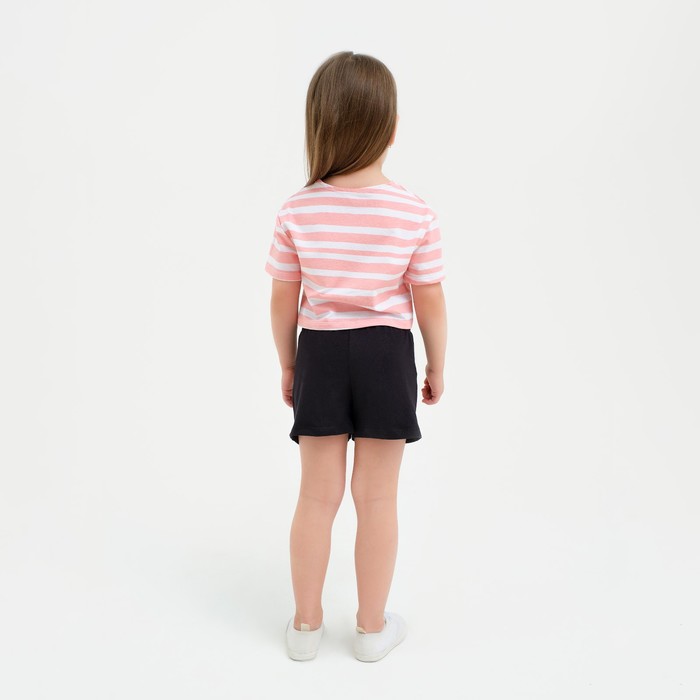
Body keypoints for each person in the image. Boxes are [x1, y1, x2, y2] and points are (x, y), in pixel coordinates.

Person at [264, 51, 448, 662]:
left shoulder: (297, 209)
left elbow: (283, 299)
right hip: (386, 353)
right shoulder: (414, 211)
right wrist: (436, 364)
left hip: (319, 350)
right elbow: (429, 300)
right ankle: (371, 631)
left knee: (316, 497)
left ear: (319, 124)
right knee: (378, 498)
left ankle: (305, 628)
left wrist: (289, 363)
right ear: (390, 129)